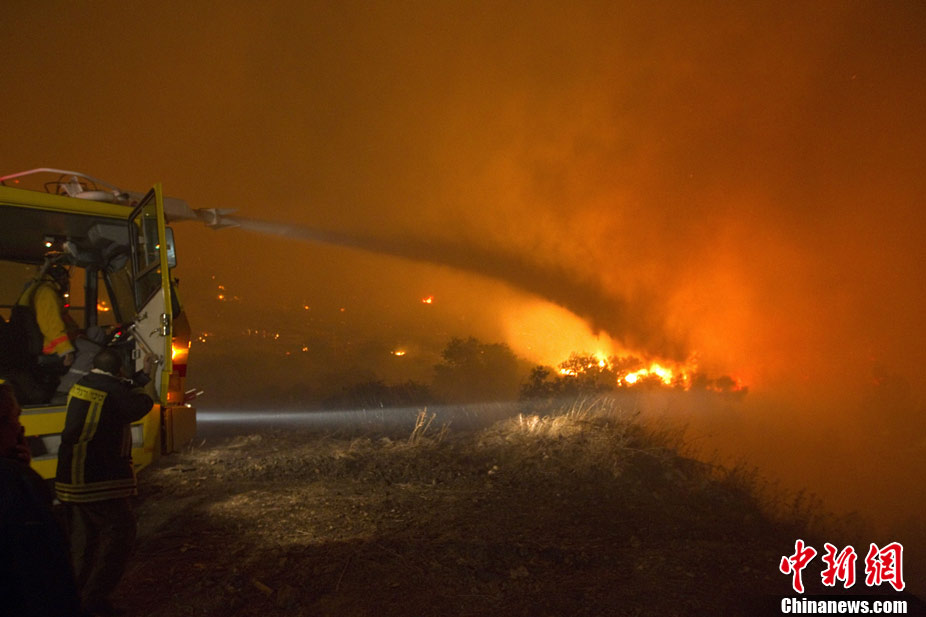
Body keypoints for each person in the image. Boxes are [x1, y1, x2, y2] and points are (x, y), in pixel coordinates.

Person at [55, 348, 157, 617]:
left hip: (71, 477)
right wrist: (149, 380)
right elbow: (142, 404)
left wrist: (143, 374)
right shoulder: (113, 392)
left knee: (83, 542)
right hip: (97, 480)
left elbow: (117, 390)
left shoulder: (85, 383)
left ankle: (72, 599)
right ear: (119, 370)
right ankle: (94, 599)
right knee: (121, 533)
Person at [0, 384, 82, 617]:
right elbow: (45, 565)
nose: (20, 428)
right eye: (15, 419)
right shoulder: (16, 483)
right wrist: (22, 474)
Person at [18, 258, 79, 369]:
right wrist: (65, 350)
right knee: (89, 351)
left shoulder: (42, 289)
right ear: (58, 278)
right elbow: (51, 325)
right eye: (65, 279)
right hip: (50, 346)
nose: (66, 283)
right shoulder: (48, 294)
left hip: (46, 342)